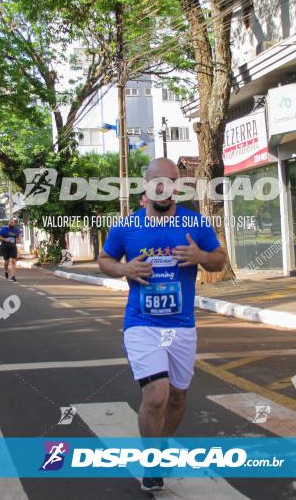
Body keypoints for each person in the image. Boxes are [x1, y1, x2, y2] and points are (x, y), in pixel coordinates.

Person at [97, 158, 227, 492]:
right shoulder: (127, 227)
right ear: (147, 185)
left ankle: (158, 447)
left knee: (178, 399)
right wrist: (124, 270)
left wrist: (201, 258)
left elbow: (219, 258)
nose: (164, 187)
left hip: (182, 326)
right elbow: (104, 260)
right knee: (157, 395)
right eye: (158, 181)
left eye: (171, 181)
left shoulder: (194, 223)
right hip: (141, 324)